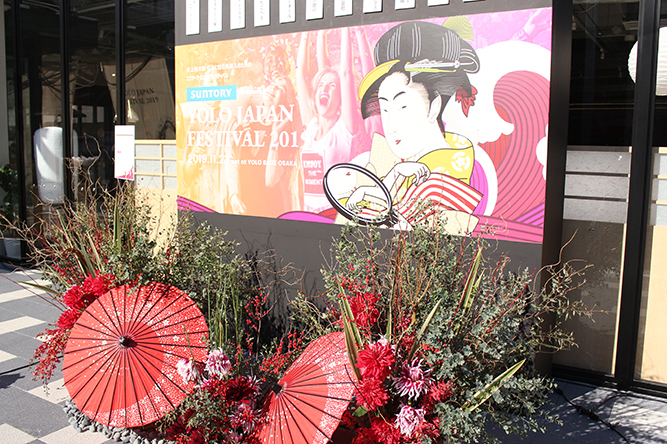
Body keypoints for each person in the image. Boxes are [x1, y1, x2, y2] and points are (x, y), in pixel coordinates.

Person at [342, 21, 482, 231]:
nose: (391, 126)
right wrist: (393, 175)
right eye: (384, 110)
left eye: (403, 107)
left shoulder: (439, 183)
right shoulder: (412, 163)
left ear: (434, 106)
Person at [296, 28, 359, 214]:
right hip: (309, 213)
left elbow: (346, 73)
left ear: (341, 98)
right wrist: (310, 31)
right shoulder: (311, 128)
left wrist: (346, 25)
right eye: (321, 86)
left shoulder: (344, 130)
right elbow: (300, 73)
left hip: (335, 214)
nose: (324, 89)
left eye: (332, 86)